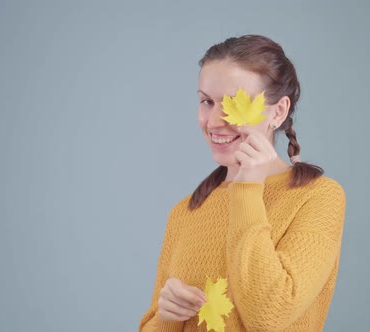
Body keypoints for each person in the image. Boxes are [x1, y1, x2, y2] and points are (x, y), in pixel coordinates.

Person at [139, 35, 346, 332]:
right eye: (207, 101)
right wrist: (168, 316)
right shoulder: (185, 212)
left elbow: (269, 316)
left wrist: (248, 189)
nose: (213, 122)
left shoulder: (318, 198)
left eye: (235, 103)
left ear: (278, 111)